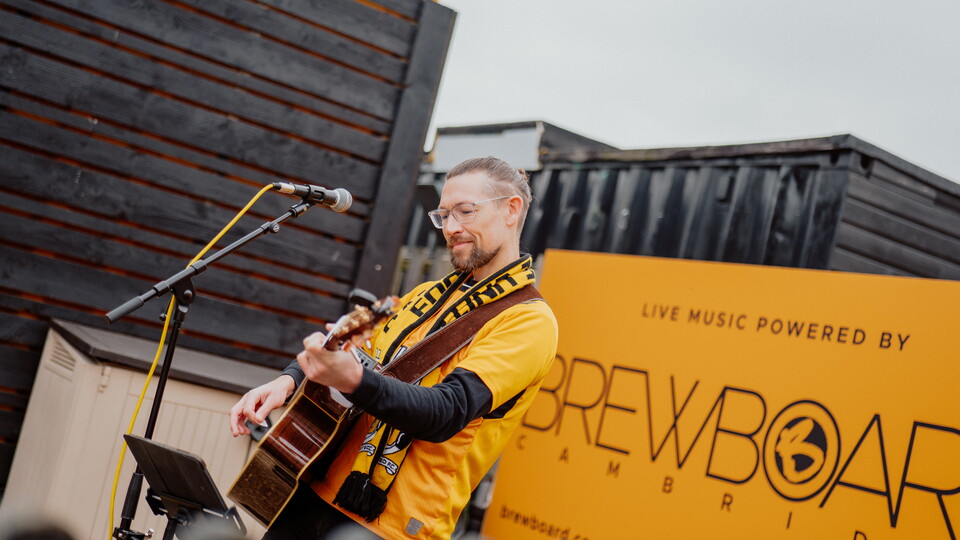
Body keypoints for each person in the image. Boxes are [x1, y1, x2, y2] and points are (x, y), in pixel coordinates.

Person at [229, 156, 559, 539]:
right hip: (319, 483)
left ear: (511, 210)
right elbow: (356, 351)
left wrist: (355, 380)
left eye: (465, 212)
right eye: (444, 215)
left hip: (397, 524)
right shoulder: (426, 295)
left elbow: (445, 412)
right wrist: (290, 380)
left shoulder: (529, 321)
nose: (451, 228)